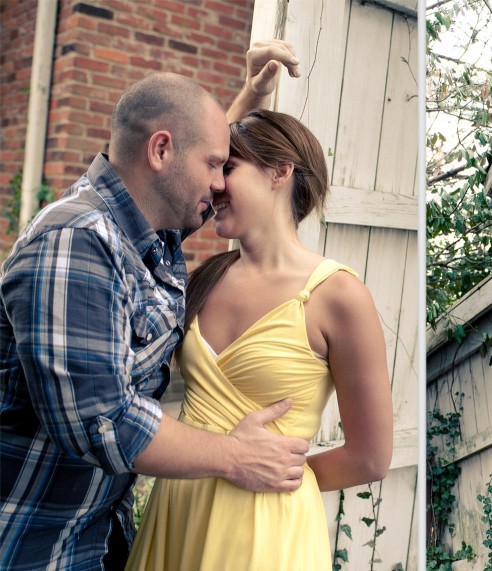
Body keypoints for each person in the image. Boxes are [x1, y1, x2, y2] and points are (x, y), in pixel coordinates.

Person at [0, 42, 307, 570]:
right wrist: (236, 457)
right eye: (215, 163)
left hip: (96, 534)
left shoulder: (144, 232)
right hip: (33, 544)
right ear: (160, 151)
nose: (220, 183)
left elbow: (191, 181)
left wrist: (253, 93)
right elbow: (105, 424)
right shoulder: (76, 240)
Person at [125, 109, 393, 570]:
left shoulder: (338, 296)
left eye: (227, 168)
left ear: (280, 170)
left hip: (265, 528)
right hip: (177, 512)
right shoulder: (201, 279)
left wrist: (274, 471)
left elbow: (370, 458)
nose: (213, 184)